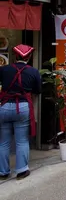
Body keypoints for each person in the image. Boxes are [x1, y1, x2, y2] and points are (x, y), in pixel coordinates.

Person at [0, 44, 41, 180]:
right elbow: (37, 92)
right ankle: (22, 170)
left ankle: (3, 172)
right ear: (28, 57)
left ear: (15, 56)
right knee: (22, 140)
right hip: (23, 107)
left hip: (4, 106)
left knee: (4, 142)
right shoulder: (34, 72)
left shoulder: (4, 69)